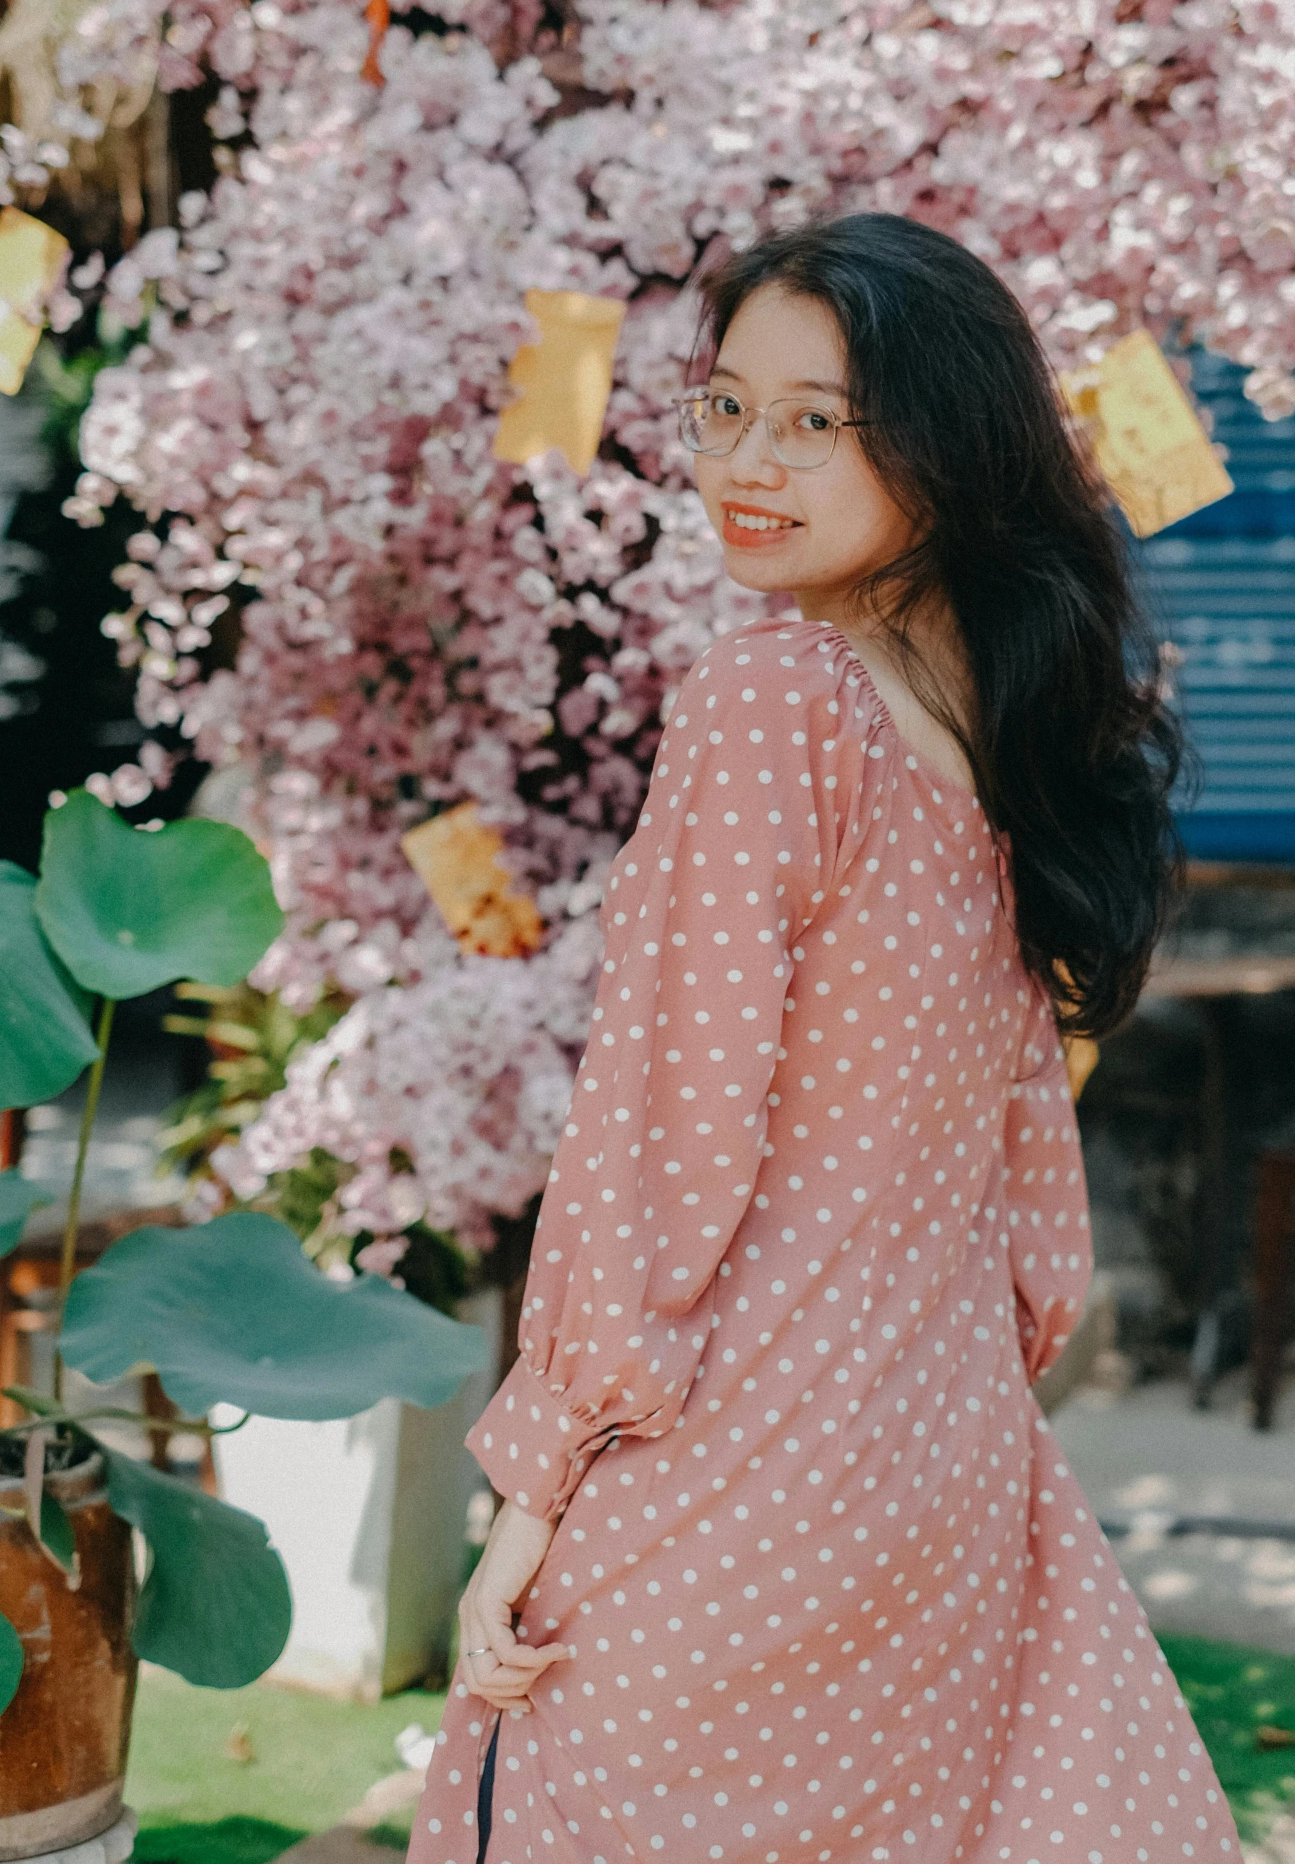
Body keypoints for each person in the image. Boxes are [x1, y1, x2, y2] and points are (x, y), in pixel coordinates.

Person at [411, 215, 1239, 1864]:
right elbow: (1030, 1229)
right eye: (724, 407)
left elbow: (669, 1133)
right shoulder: (993, 747)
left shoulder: (775, 697)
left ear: (944, 447)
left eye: (818, 420)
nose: (747, 461)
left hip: (732, 1482)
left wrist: (536, 1480)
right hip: (931, 1482)